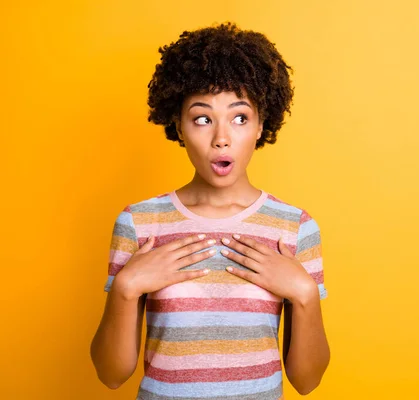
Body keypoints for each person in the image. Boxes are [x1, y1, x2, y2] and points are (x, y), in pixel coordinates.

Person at [90, 21, 330, 399]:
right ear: (180, 127)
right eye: (202, 119)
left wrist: (304, 293)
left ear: (260, 124)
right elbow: (111, 374)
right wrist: (125, 288)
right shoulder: (139, 223)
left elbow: (307, 381)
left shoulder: (295, 227)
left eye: (240, 118)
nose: (221, 138)